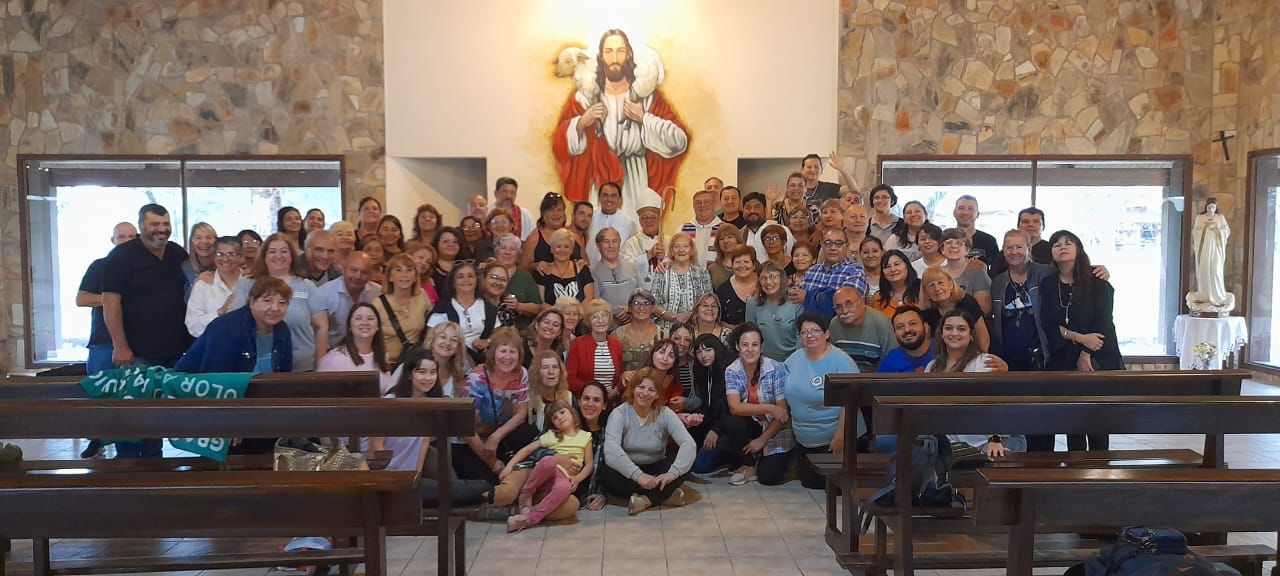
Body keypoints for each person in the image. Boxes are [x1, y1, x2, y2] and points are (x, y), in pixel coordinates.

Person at [552, 28, 689, 219]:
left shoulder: (646, 97)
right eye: (608, 51)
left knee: (634, 230)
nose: (615, 58)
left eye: (620, 51)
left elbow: (679, 142)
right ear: (600, 56)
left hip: (635, 178)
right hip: (598, 182)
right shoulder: (585, 98)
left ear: (629, 55)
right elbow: (558, 144)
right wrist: (582, 122)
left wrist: (644, 118)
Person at [1039, 230, 1123, 452]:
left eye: (1068, 243)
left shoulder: (1097, 281)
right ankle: (1075, 464)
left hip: (1098, 353)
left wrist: (1087, 353)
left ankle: (1099, 464)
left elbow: (1104, 321)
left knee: (1097, 418)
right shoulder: (1048, 284)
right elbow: (1048, 322)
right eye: (1056, 244)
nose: (1062, 247)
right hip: (1064, 355)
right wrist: (1079, 338)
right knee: (1072, 417)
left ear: (1078, 249)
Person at [102, 205, 192, 388]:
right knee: (143, 402)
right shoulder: (120, 256)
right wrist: (120, 346)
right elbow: (110, 302)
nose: (162, 229)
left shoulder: (177, 253)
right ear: (141, 225)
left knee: (177, 402)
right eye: (155, 224)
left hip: (178, 350)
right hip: (138, 353)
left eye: (166, 224)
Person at [926, 309, 1025, 458]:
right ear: (941, 333)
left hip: (992, 440)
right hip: (954, 445)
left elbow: (999, 406)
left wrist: (995, 439)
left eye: (961, 329)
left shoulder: (985, 362)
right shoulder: (932, 367)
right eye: (948, 328)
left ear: (971, 335)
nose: (954, 333)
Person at [225, 233, 329, 371]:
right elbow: (234, 321)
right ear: (264, 255)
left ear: (292, 256)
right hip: (256, 368)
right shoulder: (247, 283)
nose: (278, 256)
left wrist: (321, 366)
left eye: (284, 251)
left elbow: (322, 327)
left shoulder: (306, 285)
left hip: (302, 368)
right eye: (272, 251)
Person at [602, 367, 698, 515]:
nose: (645, 393)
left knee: (688, 461)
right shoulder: (619, 413)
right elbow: (611, 450)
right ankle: (664, 495)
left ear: (657, 394)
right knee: (606, 470)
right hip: (628, 472)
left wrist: (671, 474)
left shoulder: (665, 413)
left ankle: (645, 500)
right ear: (633, 389)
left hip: (656, 469)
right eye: (641, 387)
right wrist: (638, 475)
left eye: (651, 390)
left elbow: (689, 444)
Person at [784, 312, 858, 489]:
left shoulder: (841, 361)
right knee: (809, 483)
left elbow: (851, 402)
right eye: (804, 332)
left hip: (833, 441)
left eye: (815, 330)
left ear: (826, 334)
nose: (809, 335)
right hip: (803, 439)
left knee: (833, 488)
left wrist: (841, 436)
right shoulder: (795, 358)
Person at [459, 328, 539, 482]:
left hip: (500, 435)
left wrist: (496, 437)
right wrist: (492, 462)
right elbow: (465, 428)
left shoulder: (522, 373)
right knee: (487, 482)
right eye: (503, 351)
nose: (507, 357)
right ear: (493, 353)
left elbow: (521, 413)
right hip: (472, 441)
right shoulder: (477, 379)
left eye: (512, 351)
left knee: (528, 433)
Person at [502, 399, 594, 532]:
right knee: (549, 461)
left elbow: (589, 465)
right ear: (553, 424)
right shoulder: (551, 436)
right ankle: (526, 493)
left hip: (565, 477)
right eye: (555, 417)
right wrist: (509, 466)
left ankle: (529, 519)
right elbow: (527, 449)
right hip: (547, 473)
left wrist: (578, 478)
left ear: (572, 413)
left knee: (564, 487)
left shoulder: (585, 436)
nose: (560, 417)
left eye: (562, 412)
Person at [723, 323, 794, 486]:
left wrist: (762, 440)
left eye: (754, 345)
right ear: (737, 347)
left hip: (776, 427)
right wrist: (770, 407)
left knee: (769, 478)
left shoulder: (776, 368)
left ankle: (773, 457)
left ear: (761, 347)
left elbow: (782, 413)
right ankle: (748, 464)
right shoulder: (731, 370)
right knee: (731, 421)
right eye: (745, 345)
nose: (750, 350)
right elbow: (735, 407)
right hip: (753, 422)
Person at [175, 275, 292, 374]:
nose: (275, 308)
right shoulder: (226, 329)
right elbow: (214, 379)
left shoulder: (282, 329)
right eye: (268, 301)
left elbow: (283, 375)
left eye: (282, 303)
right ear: (252, 302)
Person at [79, 222, 138, 375]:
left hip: (139, 344)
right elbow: (82, 299)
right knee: (99, 388)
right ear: (113, 240)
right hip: (104, 343)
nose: (127, 241)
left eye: (131, 237)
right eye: (122, 237)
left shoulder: (145, 268)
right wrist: (112, 300)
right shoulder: (99, 266)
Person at [367, 347, 438, 473]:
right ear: (409, 374)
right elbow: (376, 445)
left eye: (433, 372)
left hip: (410, 476)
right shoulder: (390, 403)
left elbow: (424, 443)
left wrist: (416, 476)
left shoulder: (430, 404)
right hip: (384, 473)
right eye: (422, 372)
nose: (428, 378)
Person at [427, 261, 497, 364]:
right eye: (460, 277)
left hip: (482, 362)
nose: (466, 280)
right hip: (449, 362)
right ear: (453, 281)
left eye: (470, 276)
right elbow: (429, 341)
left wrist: (487, 341)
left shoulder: (488, 307)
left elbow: (500, 332)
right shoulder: (442, 308)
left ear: (477, 280)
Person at [317, 302, 395, 394]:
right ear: (349, 326)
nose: (365, 323)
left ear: (378, 326)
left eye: (370, 318)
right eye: (358, 318)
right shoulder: (333, 359)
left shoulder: (383, 356)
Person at [793, 228, 868, 317]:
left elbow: (845, 306)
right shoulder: (811, 271)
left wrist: (807, 298)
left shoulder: (855, 271)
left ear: (847, 246)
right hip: (807, 323)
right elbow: (797, 302)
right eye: (828, 243)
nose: (833, 248)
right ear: (822, 245)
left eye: (838, 243)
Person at [687, 334, 734, 475]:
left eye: (708, 350)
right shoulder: (702, 370)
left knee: (699, 466)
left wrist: (716, 430)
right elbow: (706, 404)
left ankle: (731, 458)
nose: (703, 356)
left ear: (716, 350)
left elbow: (731, 409)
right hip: (710, 421)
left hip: (729, 425)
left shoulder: (729, 370)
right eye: (699, 352)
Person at [371, 254, 430, 364]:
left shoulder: (422, 296)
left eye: (409, 270)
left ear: (415, 276)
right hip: (387, 363)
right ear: (390, 277)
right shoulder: (378, 304)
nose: (404, 275)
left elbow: (433, 324)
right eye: (398, 270)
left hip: (413, 363)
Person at [316, 251, 381, 345]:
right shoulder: (324, 294)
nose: (358, 276)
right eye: (353, 270)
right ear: (343, 270)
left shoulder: (378, 293)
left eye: (364, 272)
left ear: (371, 275)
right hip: (332, 349)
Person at [919, 267, 991, 352]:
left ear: (951, 284)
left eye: (940, 283)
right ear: (926, 291)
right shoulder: (928, 312)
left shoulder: (967, 303)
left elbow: (983, 342)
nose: (937, 288)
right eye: (931, 285)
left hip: (981, 353)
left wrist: (978, 359)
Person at [652, 233, 713, 331]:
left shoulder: (702, 273)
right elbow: (653, 303)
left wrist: (692, 315)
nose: (681, 250)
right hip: (665, 328)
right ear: (672, 251)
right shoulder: (662, 271)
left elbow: (709, 301)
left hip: (695, 329)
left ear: (691, 251)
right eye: (677, 246)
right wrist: (666, 314)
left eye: (685, 246)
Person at [186, 236, 244, 338]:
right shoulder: (203, 285)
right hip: (214, 343)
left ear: (241, 256)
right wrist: (219, 313)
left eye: (231, 254)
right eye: (220, 254)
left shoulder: (252, 283)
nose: (225, 259)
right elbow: (193, 326)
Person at [829, 286, 897, 373]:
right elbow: (833, 360)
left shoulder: (881, 323)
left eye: (849, 304)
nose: (844, 311)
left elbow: (892, 361)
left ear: (862, 303)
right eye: (838, 307)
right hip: (844, 376)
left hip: (875, 377)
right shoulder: (834, 324)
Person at [746, 261, 802, 362]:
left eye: (773, 277)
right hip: (764, 361)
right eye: (763, 278)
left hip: (793, 359)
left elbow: (801, 336)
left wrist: (795, 361)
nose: (768, 281)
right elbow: (751, 335)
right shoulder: (752, 303)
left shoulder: (795, 301)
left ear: (782, 279)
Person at [567, 299, 623, 395]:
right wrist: (596, 393)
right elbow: (570, 379)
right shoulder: (578, 344)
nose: (600, 321)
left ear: (609, 319)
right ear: (589, 321)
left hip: (611, 399)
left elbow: (621, 375)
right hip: (586, 398)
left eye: (604, 316)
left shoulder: (616, 344)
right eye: (595, 317)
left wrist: (616, 391)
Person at [491, 234, 542, 330]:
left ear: (518, 255)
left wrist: (519, 306)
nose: (507, 252)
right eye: (503, 248)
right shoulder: (486, 273)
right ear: (496, 252)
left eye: (512, 249)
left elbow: (537, 307)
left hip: (519, 330)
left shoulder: (524, 276)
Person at [522, 192, 583, 270]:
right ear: (543, 215)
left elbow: (587, 265)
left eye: (559, 210)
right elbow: (523, 268)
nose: (555, 214)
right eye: (551, 210)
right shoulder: (534, 239)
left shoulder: (575, 238)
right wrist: (536, 266)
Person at [534, 228, 595, 304]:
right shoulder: (543, 271)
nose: (562, 250)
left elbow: (589, 298)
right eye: (558, 246)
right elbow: (542, 303)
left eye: (566, 247)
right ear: (551, 249)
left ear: (572, 250)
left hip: (580, 311)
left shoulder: (582, 269)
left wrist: (575, 311)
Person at [939, 228, 993, 314]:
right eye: (948, 242)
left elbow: (984, 309)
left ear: (967, 250)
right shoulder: (936, 273)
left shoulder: (978, 272)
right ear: (942, 249)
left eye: (959, 243)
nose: (953, 246)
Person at [590, 227, 640, 317]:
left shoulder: (632, 267)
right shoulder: (592, 271)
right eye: (606, 242)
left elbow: (642, 294)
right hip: (606, 321)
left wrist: (631, 309)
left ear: (619, 243)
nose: (611, 246)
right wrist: (616, 312)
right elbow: (595, 301)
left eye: (614, 241)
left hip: (635, 320)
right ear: (598, 245)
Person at [1191, 197, 1231, 307]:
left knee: (1215, 270)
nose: (1211, 209)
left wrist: (1216, 228)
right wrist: (1205, 228)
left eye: (1213, 207)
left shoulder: (1220, 218)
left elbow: (1226, 231)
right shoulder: (1200, 218)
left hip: (1216, 249)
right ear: (1206, 207)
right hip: (1204, 249)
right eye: (1209, 207)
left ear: (1216, 208)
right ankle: (1204, 295)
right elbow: (1195, 232)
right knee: (1204, 270)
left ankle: (1217, 295)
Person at [586, 181, 639, 263]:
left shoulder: (629, 224)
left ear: (620, 199)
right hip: (589, 267)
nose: (609, 199)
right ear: (599, 197)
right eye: (605, 195)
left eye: (613, 196)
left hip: (617, 269)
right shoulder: (589, 217)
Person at [618, 205, 667, 290]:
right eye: (644, 217)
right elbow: (624, 268)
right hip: (639, 292)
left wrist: (665, 258)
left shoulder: (670, 241)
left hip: (664, 290)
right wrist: (648, 256)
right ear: (639, 221)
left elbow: (678, 265)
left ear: (659, 219)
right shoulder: (631, 243)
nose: (648, 221)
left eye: (653, 217)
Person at [613, 290, 660, 377]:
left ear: (653, 308)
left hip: (656, 383)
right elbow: (612, 366)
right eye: (636, 303)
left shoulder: (664, 334)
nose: (641, 308)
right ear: (629, 308)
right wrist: (622, 375)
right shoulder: (617, 335)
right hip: (626, 383)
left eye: (646, 303)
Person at [878, 307, 937, 374]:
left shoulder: (943, 350)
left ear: (926, 327)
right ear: (895, 333)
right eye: (900, 327)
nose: (907, 330)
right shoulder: (890, 361)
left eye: (912, 323)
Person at [527, 350, 574, 432]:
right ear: (537, 373)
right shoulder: (528, 399)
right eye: (545, 367)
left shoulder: (569, 397)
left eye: (555, 367)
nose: (551, 372)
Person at [741, 191, 794, 263]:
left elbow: (791, 257)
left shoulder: (782, 230)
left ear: (765, 210)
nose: (752, 211)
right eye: (748, 207)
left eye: (757, 207)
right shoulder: (741, 235)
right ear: (743, 212)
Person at [678, 189, 723, 268]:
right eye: (698, 203)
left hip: (716, 274)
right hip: (689, 274)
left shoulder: (724, 229)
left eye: (706, 202)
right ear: (693, 206)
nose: (702, 205)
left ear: (714, 205)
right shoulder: (682, 230)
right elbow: (673, 255)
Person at [953, 195, 1000, 269]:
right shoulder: (944, 239)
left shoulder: (989, 241)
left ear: (977, 214)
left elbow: (997, 269)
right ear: (954, 213)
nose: (965, 212)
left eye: (970, 209)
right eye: (961, 208)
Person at [715, 245, 758, 326]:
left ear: (754, 265)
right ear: (732, 265)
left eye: (746, 262)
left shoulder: (765, 284)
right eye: (737, 262)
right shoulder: (723, 291)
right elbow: (719, 320)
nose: (742, 265)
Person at [874, 249, 921, 320]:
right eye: (887, 266)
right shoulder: (878, 298)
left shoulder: (922, 290)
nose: (893, 269)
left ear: (907, 266)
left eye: (897, 264)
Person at [181, 222, 217, 300]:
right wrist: (196, 283)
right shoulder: (185, 267)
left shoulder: (224, 264)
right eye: (198, 238)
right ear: (191, 243)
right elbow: (186, 300)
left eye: (209, 237)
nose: (204, 242)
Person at [430, 227, 468, 302]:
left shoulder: (466, 266)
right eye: (445, 241)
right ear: (436, 244)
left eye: (455, 242)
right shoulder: (429, 268)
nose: (451, 244)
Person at [479, 258, 517, 329]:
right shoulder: (475, 303)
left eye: (503, 279)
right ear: (483, 278)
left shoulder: (507, 306)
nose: (498, 282)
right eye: (494, 277)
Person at [492, 177, 534, 241]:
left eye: (512, 192)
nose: (508, 196)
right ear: (496, 193)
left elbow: (531, 237)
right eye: (505, 191)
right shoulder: (488, 213)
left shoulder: (524, 214)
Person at [708, 223, 743, 288]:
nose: (726, 241)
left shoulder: (749, 263)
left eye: (730, 237)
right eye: (721, 239)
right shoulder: (713, 269)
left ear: (737, 240)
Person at [405, 241, 439, 307]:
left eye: (428, 262)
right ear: (408, 256)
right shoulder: (396, 280)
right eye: (420, 257)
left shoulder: (429, 286)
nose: (424, 263)